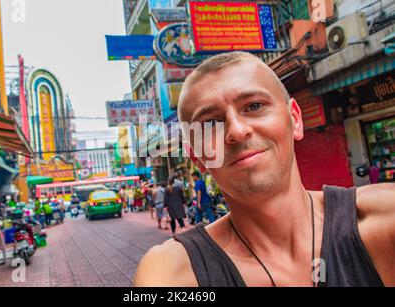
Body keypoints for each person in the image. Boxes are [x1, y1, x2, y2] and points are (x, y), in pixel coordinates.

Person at [134, 52, 395, 287]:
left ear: (294, 119)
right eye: (212, 123)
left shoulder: (383, 221)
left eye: (254, 106)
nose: (237, 130)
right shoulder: (171, 275)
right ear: (198, 158)